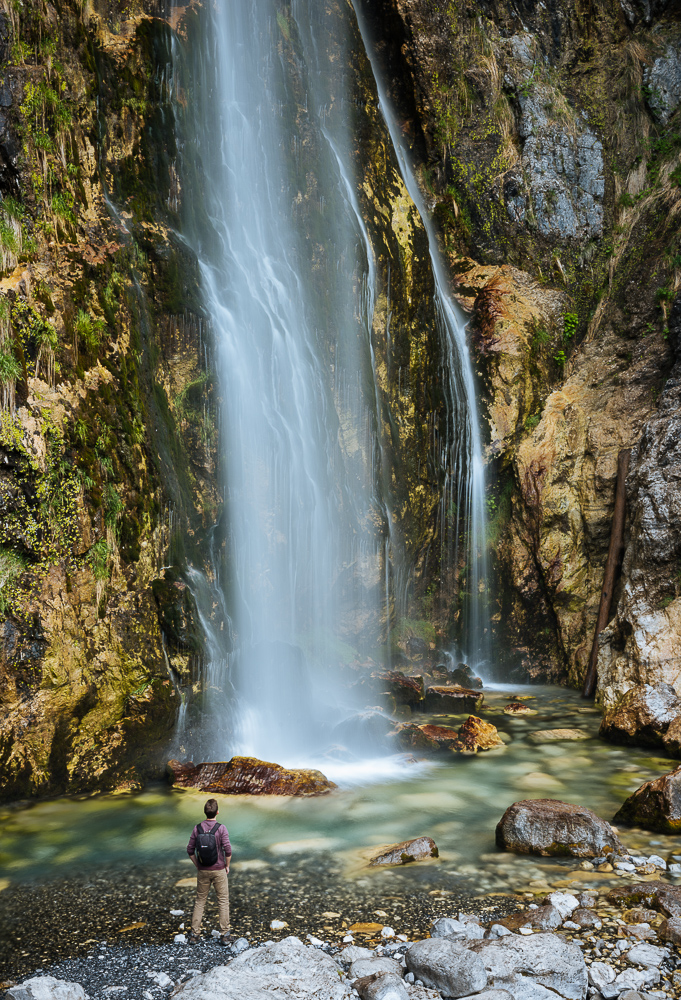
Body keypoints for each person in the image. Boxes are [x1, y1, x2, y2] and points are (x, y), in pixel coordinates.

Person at [186, 797, 232, 944]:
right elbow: (228, 849)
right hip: (219, 870)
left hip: (203, 870)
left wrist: (198, 865)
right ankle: (225, 935)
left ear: (205, 812)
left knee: (200, 901)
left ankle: (195, 934)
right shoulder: (221, 828)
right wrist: (227, 865)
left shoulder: (197, 828)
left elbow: (190, 850)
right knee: (223, 901)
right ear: (217, 812)